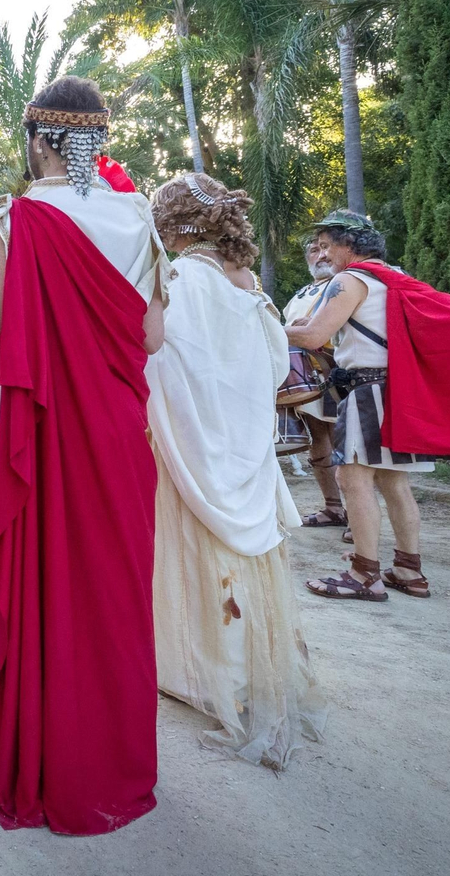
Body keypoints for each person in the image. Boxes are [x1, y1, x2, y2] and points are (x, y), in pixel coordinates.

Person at [0, 76, 167, 835]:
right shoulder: (139, 219)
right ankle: (110, 750)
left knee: (44, 575)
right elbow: (151, 337)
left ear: (41, 142)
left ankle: (47, 740)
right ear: (95, 141)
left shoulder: (14, 222)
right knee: (111, 586)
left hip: (43, 428)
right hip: (117, 432)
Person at [146, 173, 325, 768]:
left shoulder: (178, 279)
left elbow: (161, 360)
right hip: (244, 438)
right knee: (245, 557)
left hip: (192, 437)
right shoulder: (246, 283)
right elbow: (275, 366)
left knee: (194, 548)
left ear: (169, 225)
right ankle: (246, 671)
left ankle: (203, 674)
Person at [289, 210, 450, 602]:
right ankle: (408, 570)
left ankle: (364, 574)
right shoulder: (395, 277)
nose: (323, 254)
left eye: (328, 245)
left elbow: (313, 336)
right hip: (397, 390)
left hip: (367, 392)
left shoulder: (350, 279)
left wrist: (266, 328)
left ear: (349, 245)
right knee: (394, 482)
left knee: (352, 479)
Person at [282, 236, 346, 530]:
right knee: (319, 440)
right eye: (313, 250)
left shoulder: (345, 284)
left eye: (324, 249)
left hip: (338, 372)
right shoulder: (300, 294)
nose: (320, 255)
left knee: (345, 444)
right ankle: (333, 508)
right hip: (305, 377)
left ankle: (357, 516)